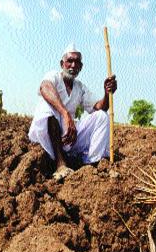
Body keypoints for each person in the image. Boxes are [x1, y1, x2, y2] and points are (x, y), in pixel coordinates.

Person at [28, 43, 117, 181]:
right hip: (50, 135)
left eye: (77, 62)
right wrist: (65, 113)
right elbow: (44, 88)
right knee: (46, 107)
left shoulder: (79, 87)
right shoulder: (54, 76)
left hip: (69, 136)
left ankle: (91, 163)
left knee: (101, 116)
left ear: (81, 67)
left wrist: (106, 93)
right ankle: (60, 163)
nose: (73, 65)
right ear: (62, 63)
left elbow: (99, 107)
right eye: (70, 61)